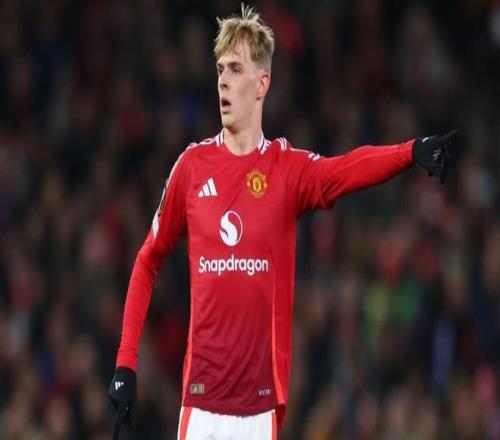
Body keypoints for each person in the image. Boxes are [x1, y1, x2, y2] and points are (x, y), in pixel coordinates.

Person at [107, 4, 456, 439]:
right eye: (220, 69)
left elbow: (345, 170)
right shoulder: (191, 168)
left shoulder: (286, 170)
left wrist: (411, 151)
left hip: (259, 411)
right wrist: (125, 363)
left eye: (236, 69)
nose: (223, 81)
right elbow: (147, 260)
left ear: (262, 84)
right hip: (200, 408)